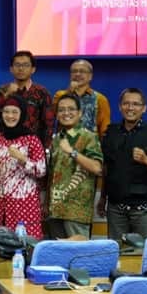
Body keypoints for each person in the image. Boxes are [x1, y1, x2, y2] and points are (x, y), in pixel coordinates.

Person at [98, 88, 147, 240]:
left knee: (144, 252)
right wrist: (103, 197)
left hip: (145, 211)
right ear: (120, 106)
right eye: (126, 103)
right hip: (116, 209)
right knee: (117, 252)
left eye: (136, 104)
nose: (130, 108)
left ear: (144, 108)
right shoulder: (110, 132)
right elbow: (106, 168)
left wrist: (146, 160)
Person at [47, 93, 103, 239]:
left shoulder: (88, 137)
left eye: (71, 109)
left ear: (80, 113)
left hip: (76, 212)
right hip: (55, 210)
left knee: (79, 252)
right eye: (61, 110)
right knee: (55, 252)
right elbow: (52, 175)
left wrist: (72, 152)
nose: (66, 113)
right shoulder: (56, 139)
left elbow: (97, 168)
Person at [0, 96, 46, 239]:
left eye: (15, 112)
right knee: (3, 245)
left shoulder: (32, 139)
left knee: (25, 244)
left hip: (26, 203)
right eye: (6, 112)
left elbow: (41, 170)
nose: (10, 116)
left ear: (22, 114)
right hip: (2, 203)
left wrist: (22, 159)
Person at [0, 51, 54, 144]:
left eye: (26, 65)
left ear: (33, 69)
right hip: (6, 144)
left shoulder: (42, 92)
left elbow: (49, 124)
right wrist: (7, 95)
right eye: (17, 65)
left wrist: (45, 147)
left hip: (33, 146)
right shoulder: (2, 90)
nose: (21, 68)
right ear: (11, 69)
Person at [53, 59, 110, 137]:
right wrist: (69, 91)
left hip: (90, 143)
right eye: (74, 71)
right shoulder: (60, 95)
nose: (77, 74)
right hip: (64, 142)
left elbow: (104, 129)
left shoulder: (100, 99)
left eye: (82, 71)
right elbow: (52, 119)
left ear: (90, 76)